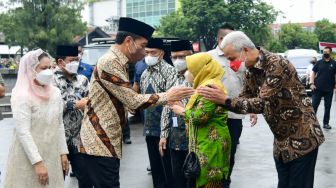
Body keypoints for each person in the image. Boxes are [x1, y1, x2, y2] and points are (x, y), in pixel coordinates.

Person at [198, 31, 325, 188]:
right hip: (282, 142)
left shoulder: (276, 64)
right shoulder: (251, 70)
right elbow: (245, 97)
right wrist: (220, 98)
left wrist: (224, 100)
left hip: (303, 138)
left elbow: (261, 103)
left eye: (232, 58)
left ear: (244, 50)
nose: (232, 64)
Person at [79, 17, 194, 188]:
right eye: (142, 47)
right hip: (99, 142)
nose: (144, 53)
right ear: (128, 41)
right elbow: (133, 101)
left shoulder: (119, 62)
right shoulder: (110, 62)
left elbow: (124, 99)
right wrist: (168, 95)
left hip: (104, 142)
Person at [4, 49, 69, 188]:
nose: (49, 71)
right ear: (31, 69)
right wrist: (37, 162)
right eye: (43, 68)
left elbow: (59, 124)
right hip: (28, 158)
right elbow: (23, 132)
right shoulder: (22, 95)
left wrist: (63, 152)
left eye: (50, 67)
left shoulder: (55, 93)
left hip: (51, 154)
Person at [207, 24, 257, 188]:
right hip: (213, 114)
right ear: (221, 39)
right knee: (213, 151)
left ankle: (225, 181)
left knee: (230, 152)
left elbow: (248, 83)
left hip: (235, 115)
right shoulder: (208, 57)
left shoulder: (242, 57)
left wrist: (252, 108)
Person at [171, 52, 231, 188]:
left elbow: (200, 117)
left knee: (208, 182)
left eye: (190, 69)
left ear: (200, 70)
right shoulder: (205, 85)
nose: (187, 72)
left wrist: (182, 111)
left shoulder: (209, 87)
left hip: (211, 145)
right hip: (204, 143)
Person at [140, 38, 176, 188]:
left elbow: (171, 103)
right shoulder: (144, 74)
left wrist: (166, 132)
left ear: (161, 53)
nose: (149, 56)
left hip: (165, 131)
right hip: (149, 129)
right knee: (156, 170)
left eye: (152, 52)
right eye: (146, 52)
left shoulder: (170, 72)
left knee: (169, 171)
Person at [53, 45, 90, 187]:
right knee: (57, 179)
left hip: (80, 138)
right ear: (60, 62)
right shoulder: (51, 81)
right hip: (58, 139)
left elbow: (90, 102)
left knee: (86, 178)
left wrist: (87, 103)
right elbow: (50, 108)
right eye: (71, 60)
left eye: (77, 59)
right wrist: (74, 105)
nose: (76, 62)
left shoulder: (83, 80)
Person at [159, 39, 193, 188]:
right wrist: (163, 134)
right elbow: (167, 106)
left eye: (182, 57)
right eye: (174, 57)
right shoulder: (172, 76)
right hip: (175, 137)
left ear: (191, 56)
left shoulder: (197, 77)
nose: (178, 61)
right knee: (177, 178)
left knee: (192, 178)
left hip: (194, 137)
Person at [310, 46, 336, 129]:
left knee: (327, 107)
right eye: (324, 52)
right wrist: (311, 83)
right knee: (314, 106)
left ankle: (326, 123)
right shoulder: (319, 62)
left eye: (326, 52)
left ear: (330, 53)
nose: (325, 54)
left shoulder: (334, 63)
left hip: (329, 89)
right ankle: (312, 123)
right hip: (317, 88)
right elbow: (313, 73)